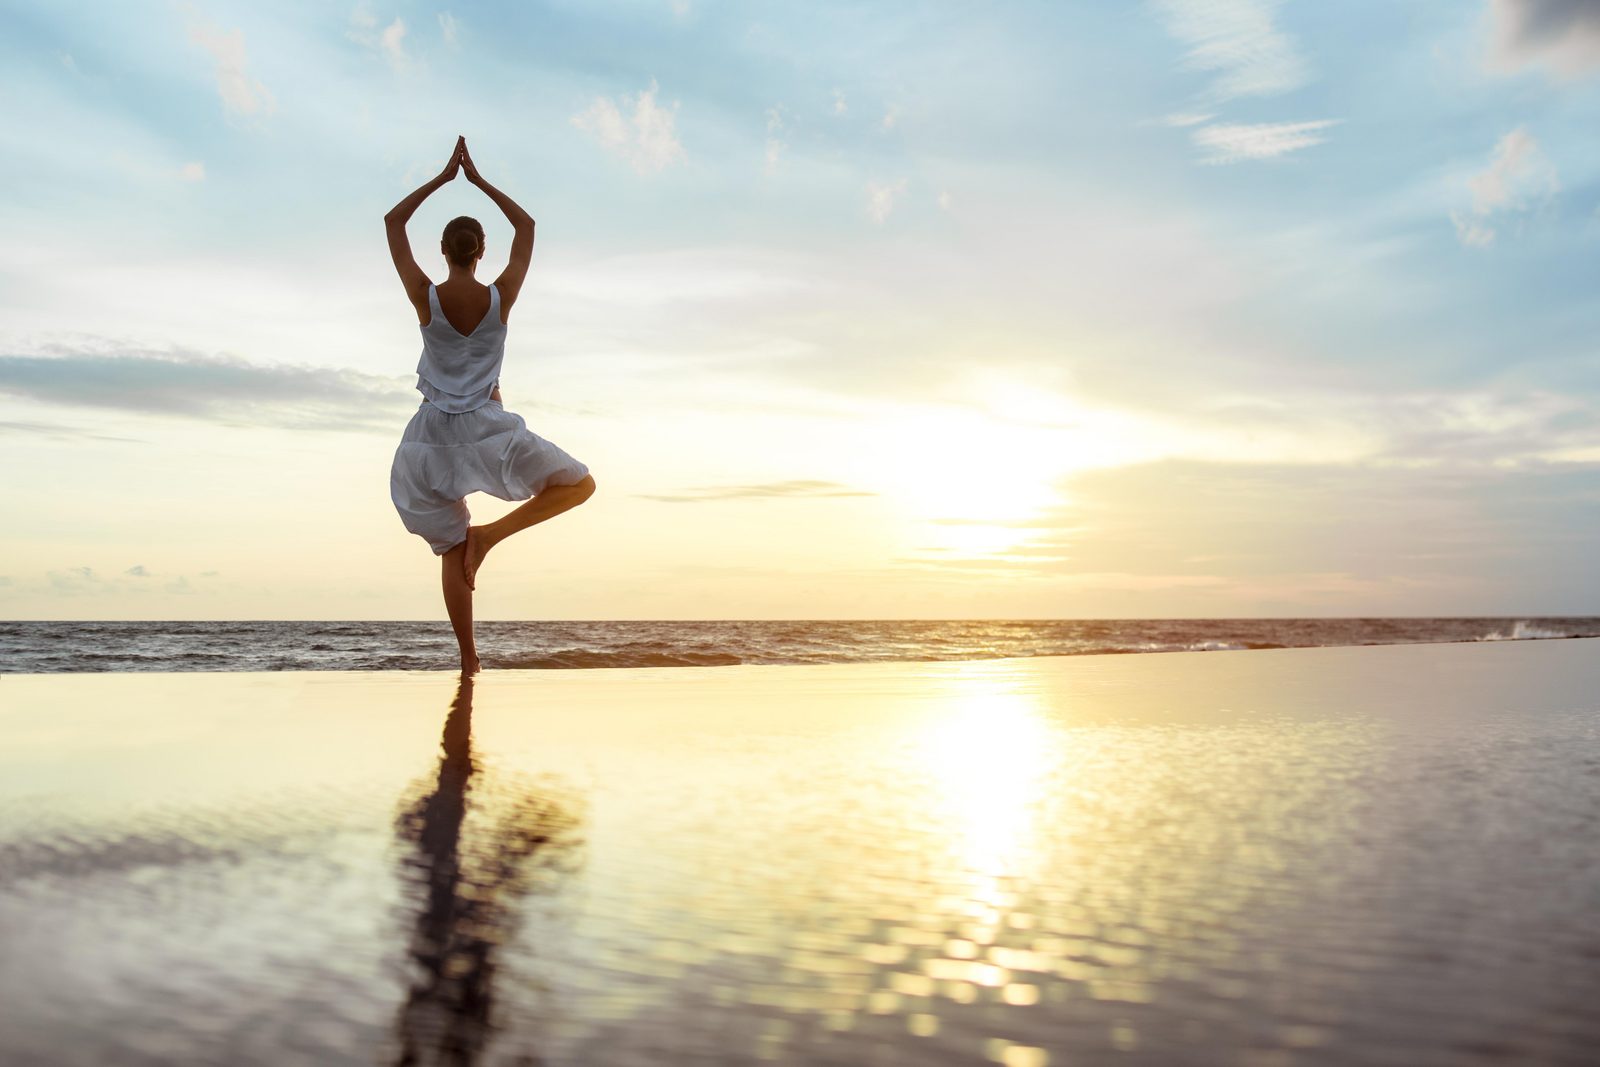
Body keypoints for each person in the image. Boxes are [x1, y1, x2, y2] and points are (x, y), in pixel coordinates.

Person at [385, 136, 596, 673]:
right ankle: (491, 538)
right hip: (485, 429)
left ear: (443, 251)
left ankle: (469, 660)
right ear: (480, 251)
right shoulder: (501, 296)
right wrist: (476, 179)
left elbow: (392, 223)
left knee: (451, 548)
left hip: (429, 438)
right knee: (580, 485)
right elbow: (525, 229)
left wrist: (442, 178)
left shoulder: (425, 297)